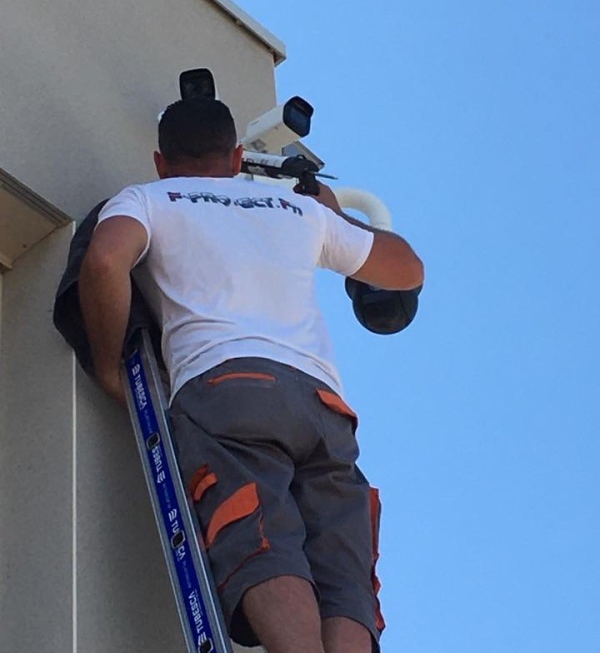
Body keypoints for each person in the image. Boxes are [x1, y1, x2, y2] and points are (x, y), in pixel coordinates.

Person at [78, 96, 424, 653]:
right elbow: (406, 269)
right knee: (344, 567)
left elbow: (103, 260)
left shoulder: (147, 198)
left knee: (258, 539)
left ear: (161, 162)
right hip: (321, 406)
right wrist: (335, 215)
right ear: (238, 156)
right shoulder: (295, 210)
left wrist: (107, 365)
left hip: (227, 390)